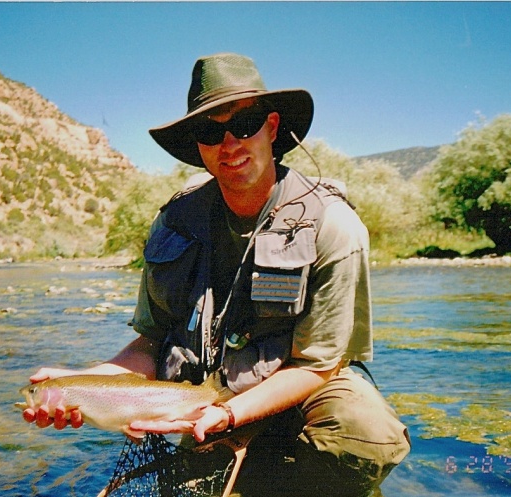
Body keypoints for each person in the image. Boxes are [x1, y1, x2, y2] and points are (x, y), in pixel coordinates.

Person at [23, 52, 410, 497]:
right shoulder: (174, 221)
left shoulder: (331, 225)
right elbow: (151, 341)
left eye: (244, 124)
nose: (229, 144)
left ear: (271, 127)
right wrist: (82, 385)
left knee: (366, 432)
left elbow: (316, 364)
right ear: (199, 145)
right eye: (211, 131)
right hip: (205, 397)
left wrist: (229, 415)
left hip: (297, 392)